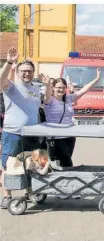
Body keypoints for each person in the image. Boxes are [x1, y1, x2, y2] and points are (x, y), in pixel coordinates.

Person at [0, 48, 44, 208]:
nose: (27, 74)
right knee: (9, 165)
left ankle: (29, 193)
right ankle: (7, 196)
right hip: (13, 133)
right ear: (17, 72)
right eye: (24, 71)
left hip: (32, 134)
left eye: (30, 71)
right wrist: (9, 62)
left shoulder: (35, 90)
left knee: (31, 165)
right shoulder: (10, 86)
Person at [42, 69, 101, 168]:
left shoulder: (68, 99)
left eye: (63, 87)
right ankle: (67, 179)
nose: (61, 90)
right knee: (67, 162)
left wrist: (97, 79)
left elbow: (84, 90)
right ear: (53, 88)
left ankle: (63, 179)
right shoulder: (50, 100)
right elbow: (46, 95)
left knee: (65, 161)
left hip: (70, 136)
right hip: (56, 137)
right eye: (58, 87)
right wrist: (47, 85)